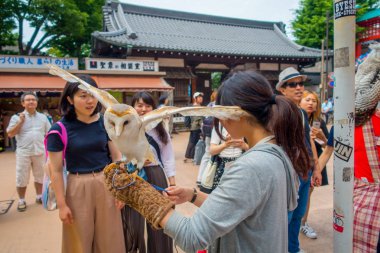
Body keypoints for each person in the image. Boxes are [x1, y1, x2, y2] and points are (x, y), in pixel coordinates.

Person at [106, 70, 311, 252]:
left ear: (235, 113)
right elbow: (239, 209)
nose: (219, 121)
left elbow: (192, 236)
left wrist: (141, 195)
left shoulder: (251, 167)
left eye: (219, 112)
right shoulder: (279, 153)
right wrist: (193, 195)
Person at [46, 75, 125, 253]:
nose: (90, 101)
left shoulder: (105, 122)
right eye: (83, 96)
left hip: (107, 184)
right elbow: (56, 171)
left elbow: (117, 158)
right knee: (78, 241)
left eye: (92, 94)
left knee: (110, 239)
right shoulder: (59, 130)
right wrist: (62, 205)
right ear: (70, 99)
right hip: (77, 187)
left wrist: (120, 190)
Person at [121, 91, 175, 253]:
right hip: (133, 177)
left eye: (147, 105)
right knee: (134, 220)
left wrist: (172, 183)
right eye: (139, 105)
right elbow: (119, 155)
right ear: (133, 107)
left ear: (153, 108)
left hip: (156, 176)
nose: (143, 109)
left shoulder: (160, 130)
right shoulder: (124, 129)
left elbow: (168, 156)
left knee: (159, 218)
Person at [276, 67, 322, 253]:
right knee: (285, 216)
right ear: (282, 89)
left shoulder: (302, 113)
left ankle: (293, 248)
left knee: (298, 215)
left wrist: (316, 167)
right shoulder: (277, 111)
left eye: (301, 83)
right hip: (288, 172)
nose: (299, 87)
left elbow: (307, 140)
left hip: (305, 171)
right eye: (292, 84)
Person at [6, 92, 51, 212]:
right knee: (22, 177)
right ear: (23, 103)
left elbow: (49, 133)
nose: (31, 102)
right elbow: (10, 134)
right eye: (28, 100)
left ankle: (39, 196)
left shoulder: (43, 117)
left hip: (40, 152)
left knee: (40, 176)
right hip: (23, 153)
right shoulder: (16, 117)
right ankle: (21, 200)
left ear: (36, 102)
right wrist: (20, 122)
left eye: (33, 100)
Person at [299, 90, 329, 239]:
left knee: (308, 193)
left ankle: (303, 223)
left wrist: (322, 136)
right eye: (307, 100)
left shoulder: (319, 122)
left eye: (314, 101)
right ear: (300, 102)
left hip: (313, 163)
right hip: (297, 162)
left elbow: (327, 146)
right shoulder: (295, 118)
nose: (311, 103)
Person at [200, 124, 248, 193]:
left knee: (240, 193)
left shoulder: (244, 124)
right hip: (223, 165)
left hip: (241, 164)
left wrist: (244, 145)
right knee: (222, 194)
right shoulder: (219, 125)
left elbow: (255, 149)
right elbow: (212, 150)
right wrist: (226, 144)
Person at [197, 91, 217, 186]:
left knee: (207, 154)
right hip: (215, 133)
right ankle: (207, 179)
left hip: (207, 133)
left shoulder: (209, 105)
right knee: (213, 155)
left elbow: (203, 121)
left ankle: (200, 178)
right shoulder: (220, 106)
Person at [184, 91, 204, 163]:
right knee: (194, 142)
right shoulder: (197, 107)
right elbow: (198, 118)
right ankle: (191, 157)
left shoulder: (193, 106)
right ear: (195, 98)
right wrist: (202, 125)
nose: (201, 98)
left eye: (201, 97)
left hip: (193, 127)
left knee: (192, 141)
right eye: (199, 97)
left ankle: (188, 156)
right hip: (197, 127)